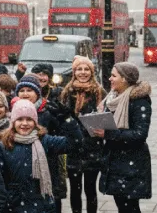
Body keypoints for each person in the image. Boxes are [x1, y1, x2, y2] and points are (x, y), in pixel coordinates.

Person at [0, 99, 82, 213]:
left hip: (42, 203)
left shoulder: (45, 141)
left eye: (29, 119)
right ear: (13, 122)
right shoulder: (5, 145)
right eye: (20, 119)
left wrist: (67, 120)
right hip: (14, 204)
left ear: (35, 122)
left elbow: (74, 143)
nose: (24, 123)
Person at [94, 63, 152, 213]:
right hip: (115, 159)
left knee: (130, 207)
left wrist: (108, 134)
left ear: (125, 79)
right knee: (122, 204)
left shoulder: (139, 100)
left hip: (131, 162)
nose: (110, 78)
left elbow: (140, 134)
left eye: (114, 76)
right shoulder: (112, 98)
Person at [59, 56, 106, 213]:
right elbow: (63, 119)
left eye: (86, 69)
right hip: (74, 148)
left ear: (92, 72)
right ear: (74, 72)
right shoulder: (67, 92)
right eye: (79, 69)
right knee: (75, 189)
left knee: (91, 189)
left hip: (93, 147)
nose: (83, 72)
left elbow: (106, 118)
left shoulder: (99, 91)